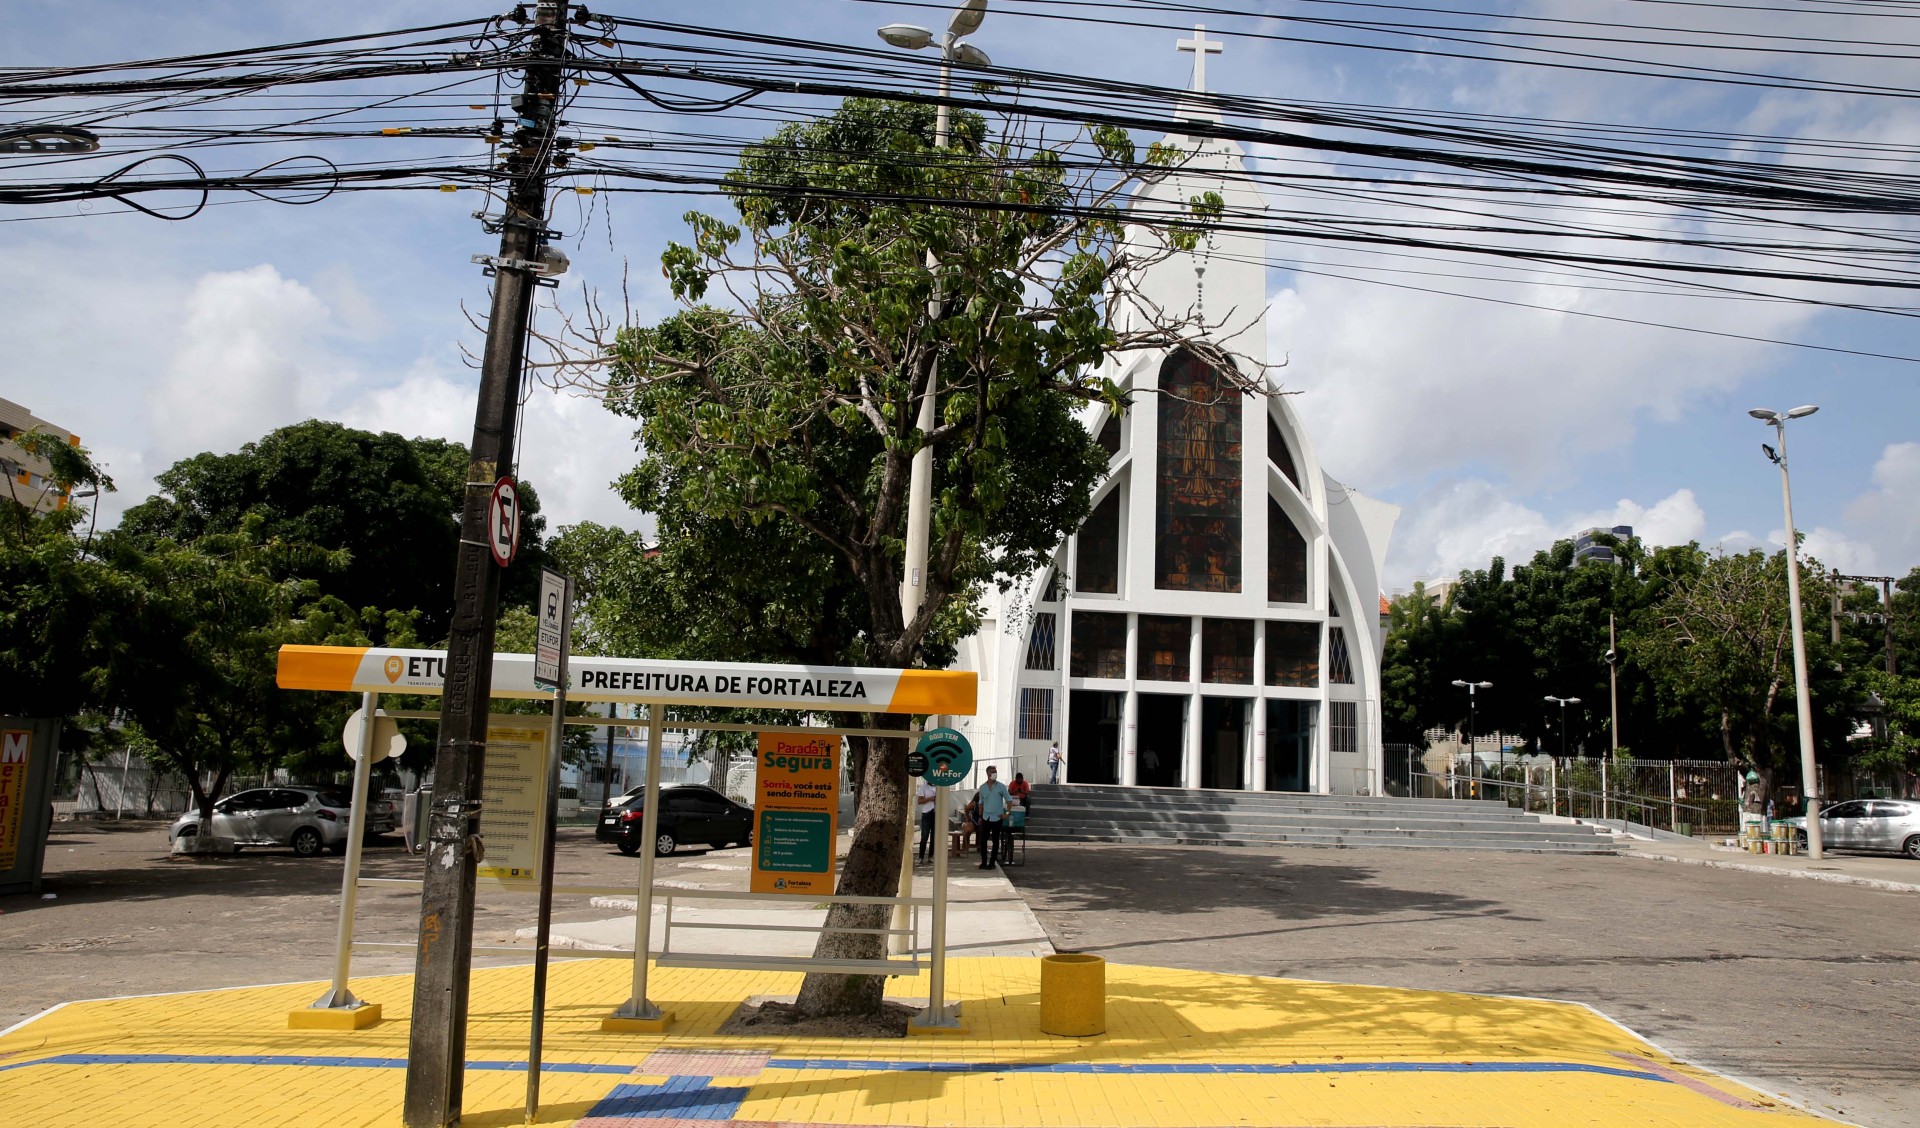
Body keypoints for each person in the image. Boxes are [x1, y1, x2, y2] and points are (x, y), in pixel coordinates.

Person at [974, 765, 1012, 869]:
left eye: (995, 771)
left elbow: (1009, 800)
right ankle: (984, 861)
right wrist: (980, 816)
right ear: (988, 774)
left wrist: (1007, 814)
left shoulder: (1001, 786)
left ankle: (992, 863)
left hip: (997, 817)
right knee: (983, 840)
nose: (995, 774)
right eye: (992, 772)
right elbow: (980, 803)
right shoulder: (982, 787)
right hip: (986, 817)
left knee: (996, 840)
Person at [916, 778, 937, 863]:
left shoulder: (938, 787)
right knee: (925, 835)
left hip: (936, 813)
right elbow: (920, 801)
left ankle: (930, 856)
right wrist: (930, 799)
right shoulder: (923, 787)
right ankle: (921, 857)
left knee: (934, 836)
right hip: (927, 812)